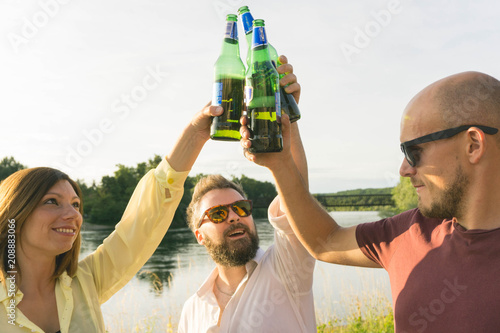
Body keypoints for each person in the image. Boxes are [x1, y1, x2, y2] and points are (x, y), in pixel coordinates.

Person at [241, 71, 500, 332]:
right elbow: (326, 241)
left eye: (414, 151)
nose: (404, 170)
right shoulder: (411, 232)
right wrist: (281, 160)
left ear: (473, 145)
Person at [0, 100, 228, 333]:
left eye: (76, 204)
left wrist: (194, 135)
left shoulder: (85, 281)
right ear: (15, 215)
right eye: (52, 202)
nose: (73, 215)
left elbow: (143, 222)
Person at [178, 56, 317, 333]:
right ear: (199, 235)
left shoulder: (287, 270)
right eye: (218, 214)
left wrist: (284, 113)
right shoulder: (193, 309)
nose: (233, 217)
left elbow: (296, 198)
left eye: (240, 208)